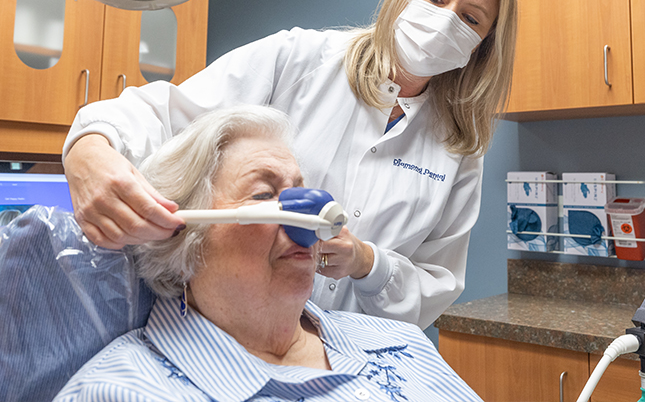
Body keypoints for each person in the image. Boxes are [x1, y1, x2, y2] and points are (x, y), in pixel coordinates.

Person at [63, 0, 518, 329]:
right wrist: (89, 150)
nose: (445, 21)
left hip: (352, 352)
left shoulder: (459, 145)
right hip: (230, 330)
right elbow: (164, 111)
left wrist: (367, 263)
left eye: (471, 18)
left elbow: (436, 283)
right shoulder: (300, 59)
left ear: (484, 44)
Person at [54, 106, 483, 402]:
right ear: (181, 230)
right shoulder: (123, 391)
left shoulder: (400, 342)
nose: (310, 216)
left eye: (299, 192)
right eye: (264, 194)